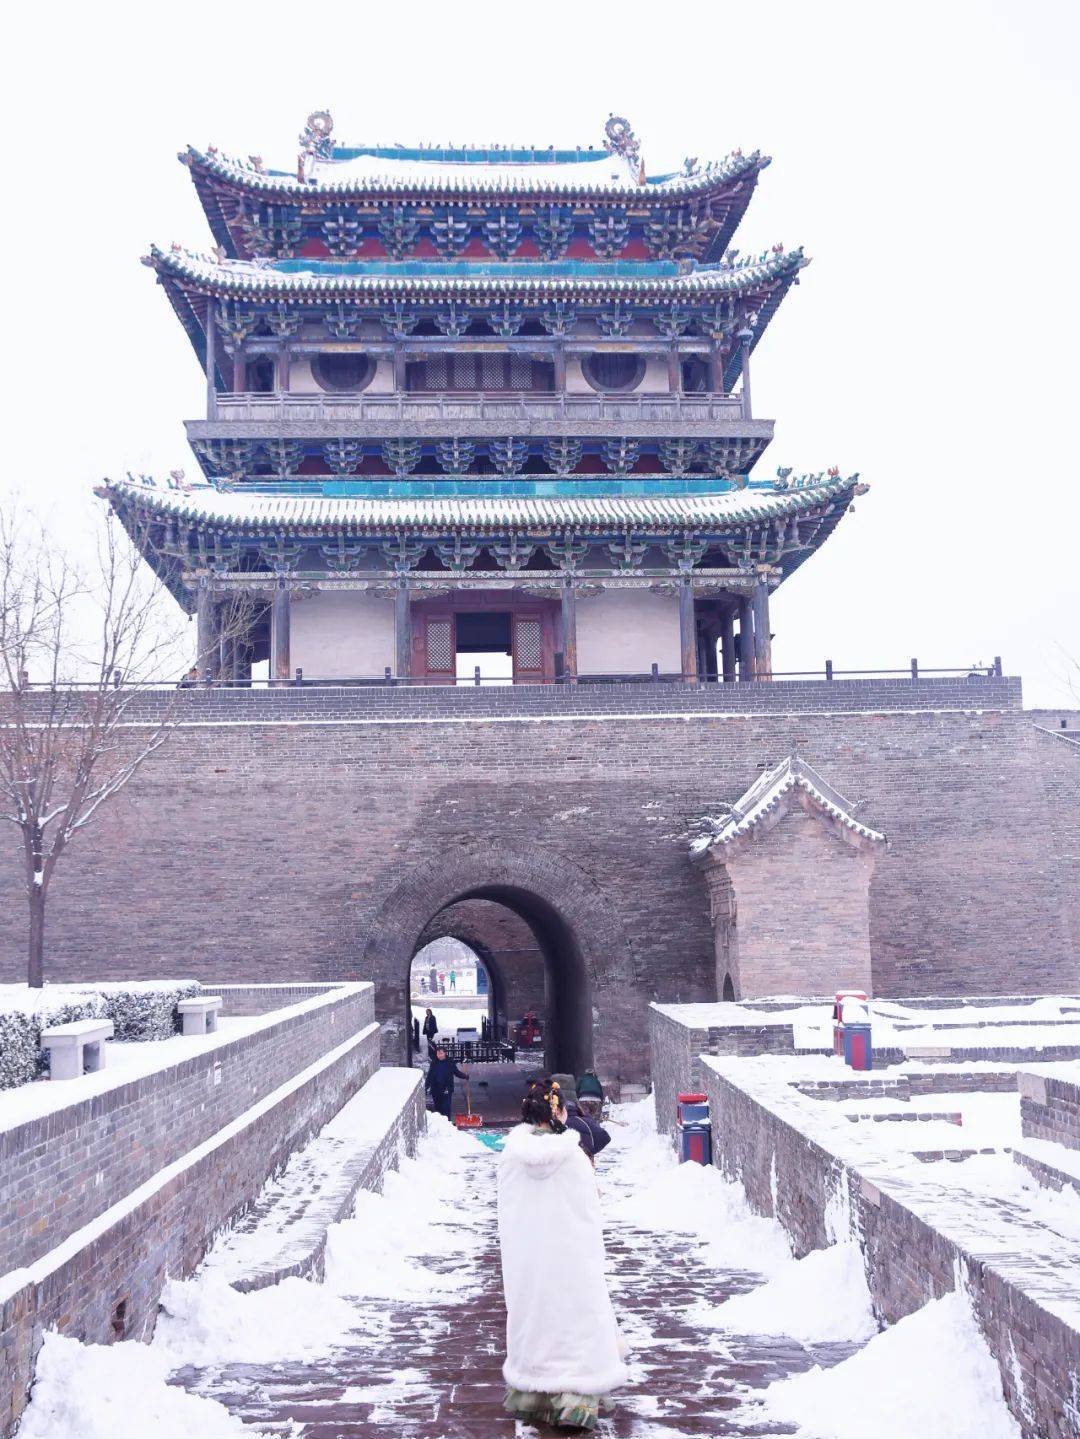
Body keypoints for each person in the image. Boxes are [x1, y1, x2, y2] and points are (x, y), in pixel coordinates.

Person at [498, 1076, 628, 1430]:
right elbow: (588, 1214)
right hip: (570, 1258)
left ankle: (535, 1396)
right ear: (557, 1114)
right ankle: (574, 1400)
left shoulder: (509, 1157)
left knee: (535, 1320)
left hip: (529, 1260)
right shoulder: (573, 1158)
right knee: (575, 1321)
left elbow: (508, 1214)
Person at [425, 1044, 468, 1120]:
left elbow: (456, 1072)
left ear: (445, 1053)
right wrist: (426, 1086)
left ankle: (447, 1123)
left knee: (446, 1108)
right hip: (436, 1089)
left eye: (441, 1053)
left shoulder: (450, 1062)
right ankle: (440, 1125)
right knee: (438, 1108)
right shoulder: (434, 1063)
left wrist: (465, 1076)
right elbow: (430, 1075)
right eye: (438, 1053)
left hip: (446, 1089)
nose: (439, 1055)